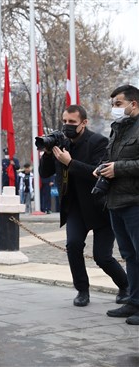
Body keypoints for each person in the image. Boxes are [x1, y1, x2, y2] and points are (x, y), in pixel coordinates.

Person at [39, 104, 128, 308]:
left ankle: (125, 286)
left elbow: (97, 172)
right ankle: (82, 290)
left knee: (102, 256)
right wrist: (48, 153)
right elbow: (44, 173)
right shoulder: (61, 143)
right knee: (73, 246)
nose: (67, 126)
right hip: (75, 207)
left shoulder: (98, 142)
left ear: (84, 123)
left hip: (100, 206)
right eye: (64, 121)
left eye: (72, 122)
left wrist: (70, 163)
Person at [97, 84, 139, 325]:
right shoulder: (118, 128)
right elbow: (111, 158)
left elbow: (124, 164)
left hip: (135, 201)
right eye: (113, 105)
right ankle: (133, 301)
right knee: (129, 255)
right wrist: (102, 167)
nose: (114, 109)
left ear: (133, 104)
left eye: (118, 104)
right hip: (116, 201)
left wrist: (118, 168)